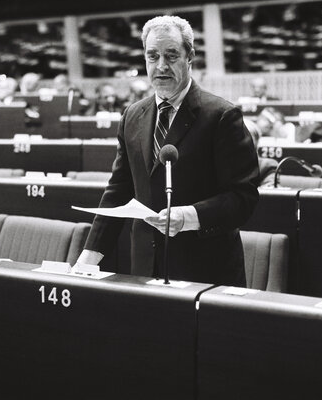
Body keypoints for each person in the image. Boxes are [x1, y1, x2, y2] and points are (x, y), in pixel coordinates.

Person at [76, 15, 259, 286]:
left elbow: (242, 197)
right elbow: (119, 189)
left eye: (171, 55)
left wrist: (190, 216)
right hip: (143, 267)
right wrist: (88, 258)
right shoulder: (132, 115)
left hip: (205, 270)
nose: (161, 66)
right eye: (153, 56)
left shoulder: (221, 115)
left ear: (189, 57)